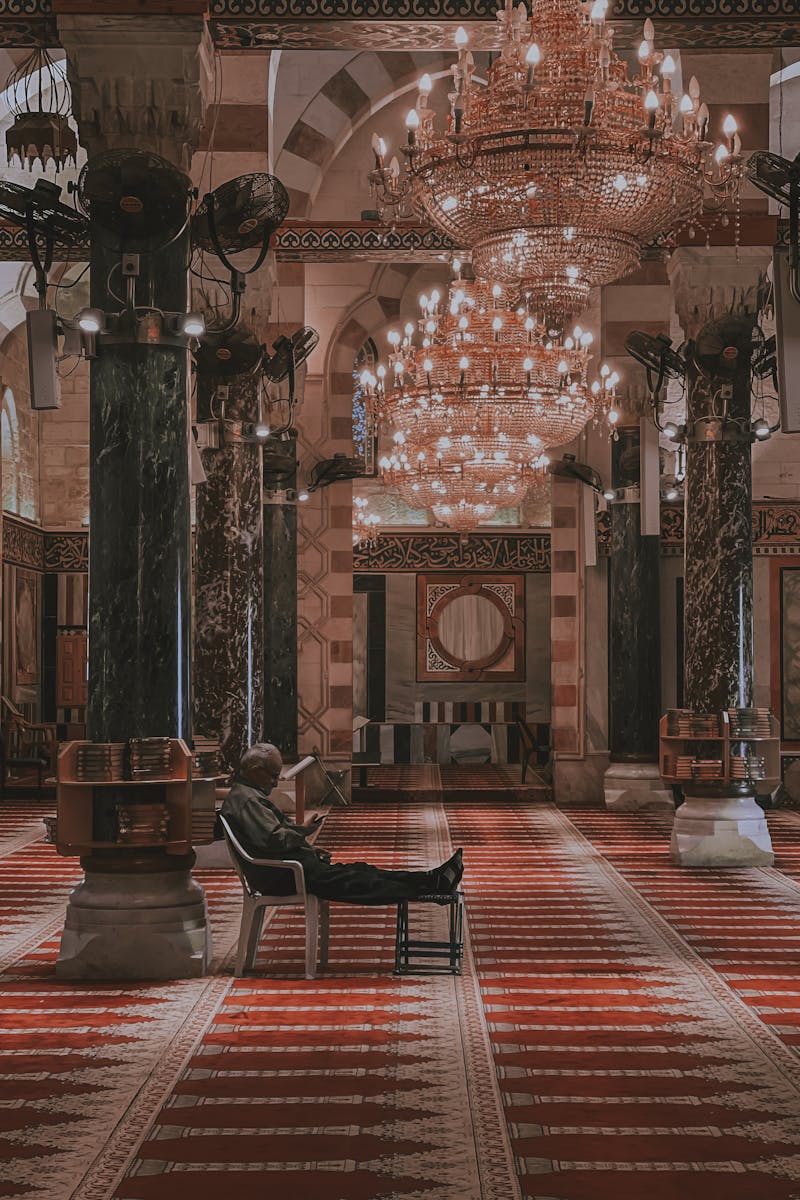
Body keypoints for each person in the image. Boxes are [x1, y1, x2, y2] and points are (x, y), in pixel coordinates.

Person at [220, 742, 463, 904]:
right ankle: (428, 889)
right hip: (285, 875)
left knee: (362, 870)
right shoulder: (247, 800)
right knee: (359, 882)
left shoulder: (247, 796)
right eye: (272, 776)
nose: (275, 782)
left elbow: (273, 838)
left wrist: (309, 848)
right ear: (253, 769)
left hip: (290, 867)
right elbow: (275, 840)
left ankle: (430, 878)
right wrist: (304, 831)